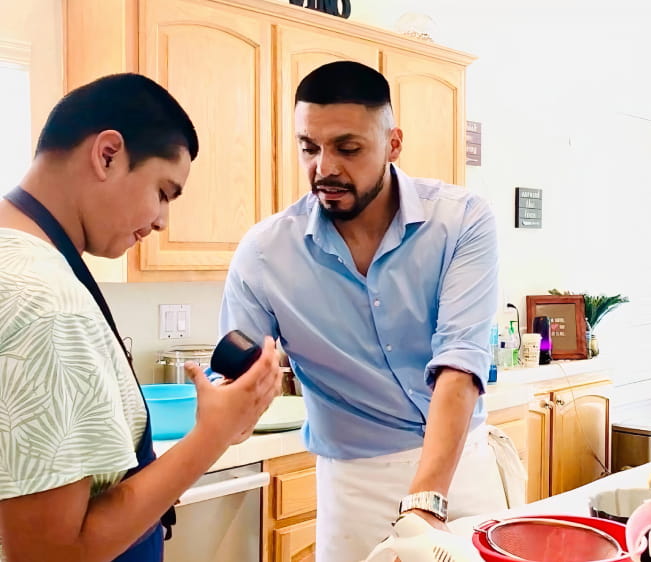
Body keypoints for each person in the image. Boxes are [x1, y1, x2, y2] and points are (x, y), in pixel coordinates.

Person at [219, 61, 509, 561]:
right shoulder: (265, 255)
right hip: (354, 485)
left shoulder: (461, 220)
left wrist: (424, 505)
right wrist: (233, 407)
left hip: (462, 468)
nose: (325, 168)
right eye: (309, 148)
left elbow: (460, 364)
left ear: (393, 143)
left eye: (348, 149)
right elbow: (238, 384)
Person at [0, 73, 281, 561]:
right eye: (164, 192)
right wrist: (213, 434)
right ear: (107, 154)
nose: (162, 221)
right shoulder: (50, 306)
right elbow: (52, 553)